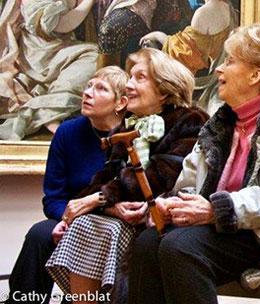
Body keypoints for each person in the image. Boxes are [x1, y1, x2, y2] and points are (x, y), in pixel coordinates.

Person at [127, 24, 260, 304]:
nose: (219, 69)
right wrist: (172, 203)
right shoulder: (220, 121)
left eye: (230, 61)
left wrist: (218, 209)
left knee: (180, 247)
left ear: (256, 74)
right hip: (221, 226)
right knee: (148, 242)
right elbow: (188, 182)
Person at [45, 48, 209, 303]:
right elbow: (103, 178)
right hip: (133, 212)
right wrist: (109, 205)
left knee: (109, 230)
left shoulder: (192, 122)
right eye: (130, 77)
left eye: (139, 77)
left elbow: (158, 178)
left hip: (167, 215)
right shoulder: (129, 124)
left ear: (164, 90)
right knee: (84, 224)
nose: (129, 85)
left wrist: (98, 199)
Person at [5, 66, 130, 304]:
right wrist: (63, 221)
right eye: (89, 85)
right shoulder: (67, 132)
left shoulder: (133, 136)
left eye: (101, 88)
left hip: (112, 222)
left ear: (120, 102)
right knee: (40, 234)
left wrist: (87, 212)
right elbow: (52, 198)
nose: (88, 93)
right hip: (69, 218)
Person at [0, 0, 99, 140]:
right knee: (93, 56)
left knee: (92, 59)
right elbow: (62, 25)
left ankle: (48, 112)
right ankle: (48, 114)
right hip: (37, 62)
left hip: (63, 51)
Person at [140, 0, 238, 114]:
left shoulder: (204, 13)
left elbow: (184, 56)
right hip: (217, 77)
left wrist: (159, 36)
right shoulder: (226, 7)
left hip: (207, 86)